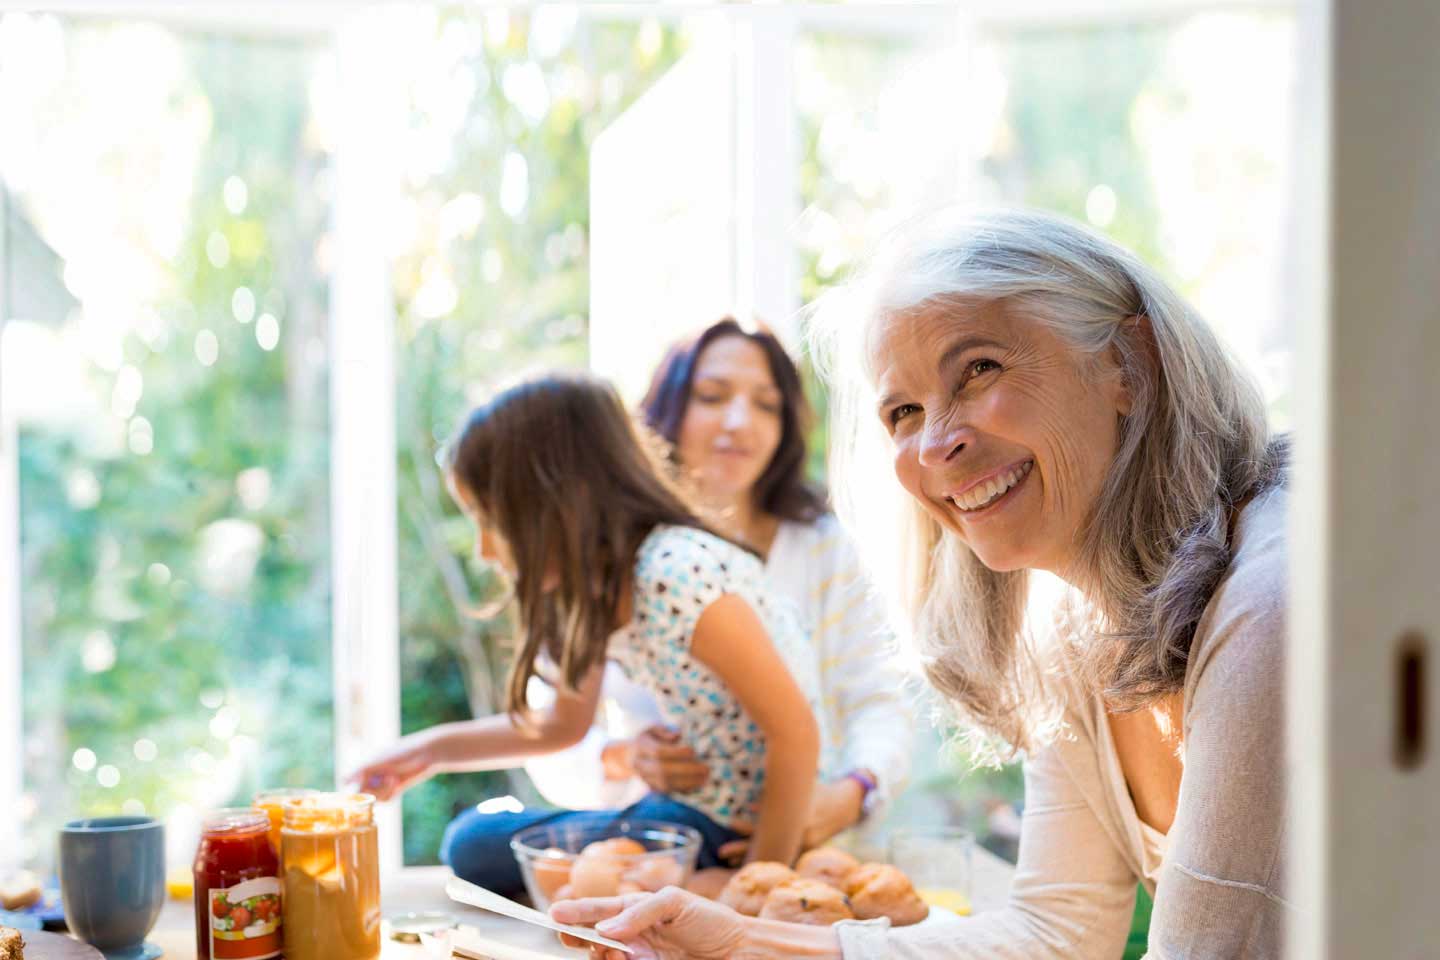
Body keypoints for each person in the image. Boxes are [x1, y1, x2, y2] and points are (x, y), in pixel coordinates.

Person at [551, 207, 1291, 958]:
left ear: (1128, 365)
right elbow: (1053, 933)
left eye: (978, 369)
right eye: (903, 411)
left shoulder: (1269, 606)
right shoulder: (1074, 624)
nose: (937, 444)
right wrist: (742, 941)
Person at [350, 372, 836, 894]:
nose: (486, 551)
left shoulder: (676, 573)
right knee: (474, 842)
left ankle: (709, 883)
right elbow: (561, 726)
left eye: (491, 521)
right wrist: (426, 750)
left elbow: (796, 733)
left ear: (560, 503)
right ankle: (687, 882)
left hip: (738, 826)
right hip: (682, 815)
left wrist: (759, 882)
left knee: (477, 845)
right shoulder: (598, 592)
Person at [524, 318, 912, 855]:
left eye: (766, 405)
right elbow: (552, 726)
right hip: (660, 842)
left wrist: (851, 794)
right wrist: (625, 755)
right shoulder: (616, 554)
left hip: (810, 848)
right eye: (711, 396)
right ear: (665, 410)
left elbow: (877, 698)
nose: (739, 422)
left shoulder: (824, 546)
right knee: (482, 844)